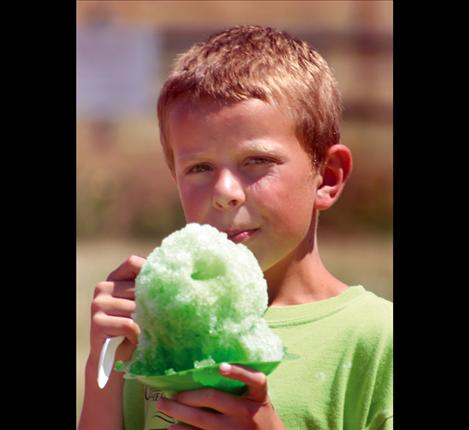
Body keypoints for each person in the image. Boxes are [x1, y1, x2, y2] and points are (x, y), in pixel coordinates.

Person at [78, 25, 393, 430]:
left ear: (327, 177)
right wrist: (103, 364)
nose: (225, 192)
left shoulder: (375, 339)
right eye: (200, 168)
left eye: (257, 161)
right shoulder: (154, 331)